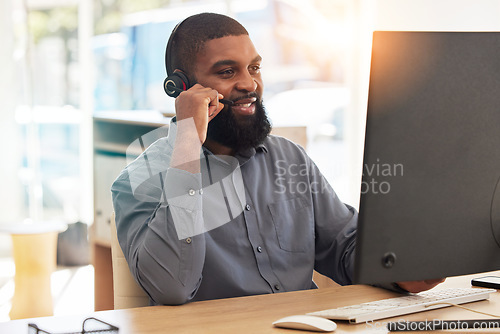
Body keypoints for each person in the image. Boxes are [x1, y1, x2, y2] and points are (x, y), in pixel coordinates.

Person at [111, 12, 443, 306]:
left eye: (254, 68)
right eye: (228, 72)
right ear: (183, 87)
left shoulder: (289, 158)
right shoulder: (138, 181)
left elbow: (343, 248)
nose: (250, 83)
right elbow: (172, 287)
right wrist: (186, 146)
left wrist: (398, 272)